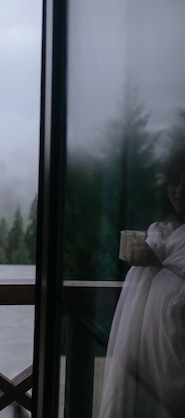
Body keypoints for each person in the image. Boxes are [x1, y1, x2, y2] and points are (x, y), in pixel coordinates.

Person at [99, 141, 185, 418]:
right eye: (174, 181)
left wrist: (155, 265)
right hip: (142, 369)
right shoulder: (161, 234)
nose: (179, 191)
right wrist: (147, 262)